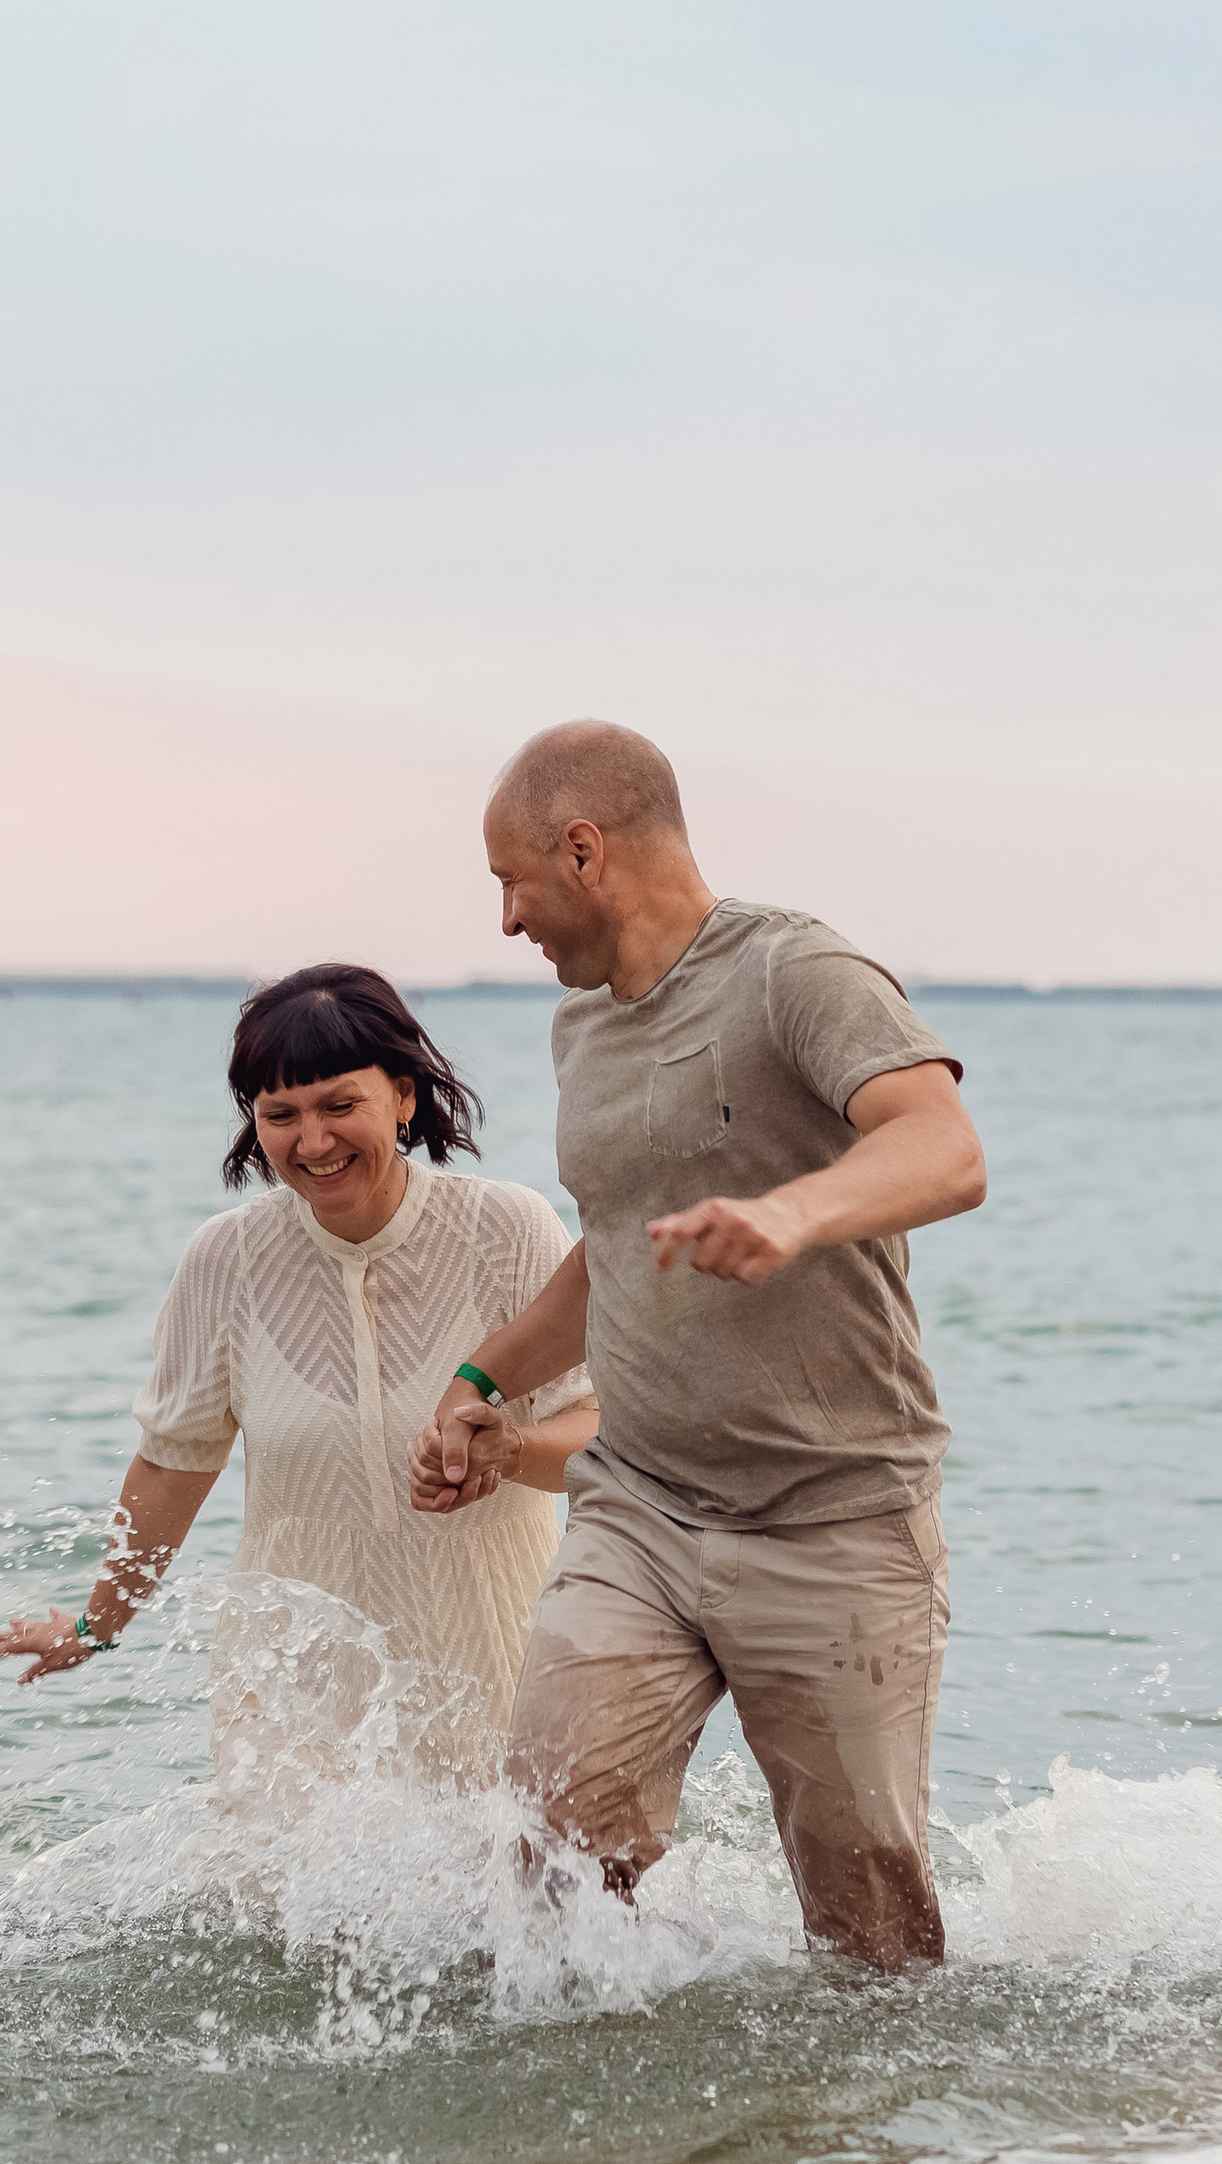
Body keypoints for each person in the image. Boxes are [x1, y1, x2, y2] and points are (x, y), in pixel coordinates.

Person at [408, 725, 985, 1970]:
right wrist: (482, 1376)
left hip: (834, 1518)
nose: (508, 920)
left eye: (513, 880)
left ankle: (849, 2160)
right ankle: (596, 2146)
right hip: (640, 1512)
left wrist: (790, 1212)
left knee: (870, 1931)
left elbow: (945, 1148)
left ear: (585, 850)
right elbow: (610, 1246)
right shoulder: (584, 1030)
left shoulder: (797, 972)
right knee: (548, 1854)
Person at [0, 966, 595, 1786]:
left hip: (494, 1669)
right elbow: (174, 1463)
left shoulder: (508, 1230)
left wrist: (510, 1451)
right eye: (281, 1115)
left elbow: (603, 1433)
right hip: (292, 1701)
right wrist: (96, 1630)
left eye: (341, 1106)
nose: (312, 1143)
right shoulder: (226, 1259)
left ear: (405, 1096)